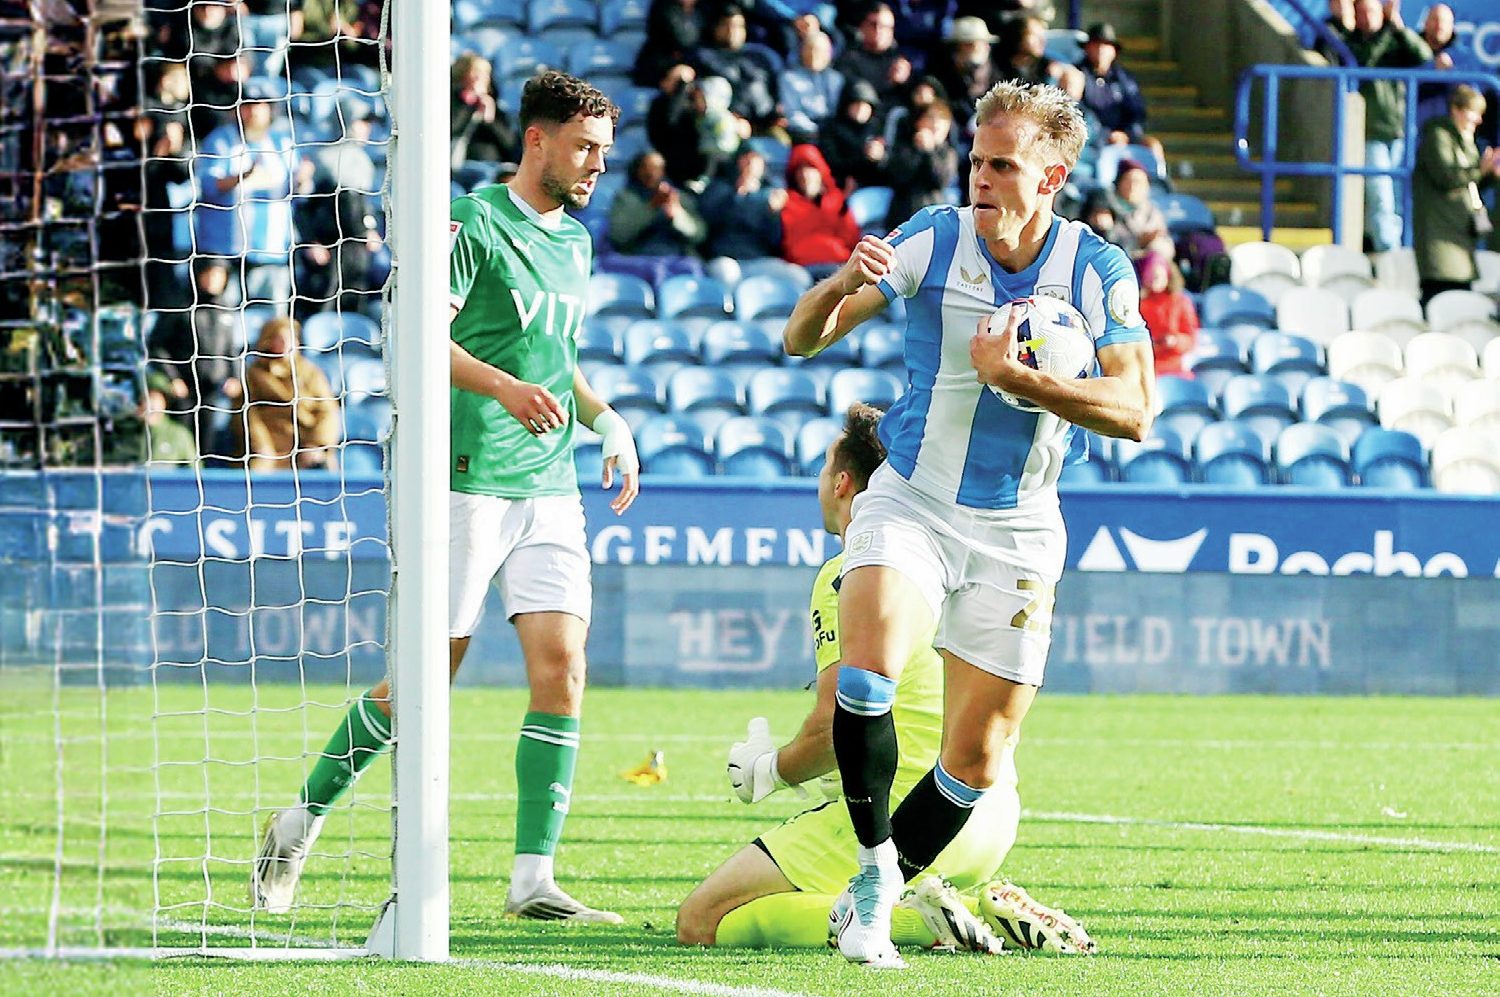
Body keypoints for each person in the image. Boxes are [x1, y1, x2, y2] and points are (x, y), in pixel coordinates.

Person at [252, 71, 641, 924]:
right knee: (425, 682)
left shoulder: (576, 244)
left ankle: (532, 877)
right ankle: (300, 819)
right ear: (536, 139)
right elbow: (418, 337)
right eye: (585, 147)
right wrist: (502, 387)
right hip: (467, 479)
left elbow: (556, 361)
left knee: (565, 668)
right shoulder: (473, 220)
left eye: (605, 152)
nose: (597, 166)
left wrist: (607, 419)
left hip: (551, 486)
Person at [782, 79, 1153, 968]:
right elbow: (802, 338)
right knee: (866, 674)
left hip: (1020, 526)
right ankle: (875, 872)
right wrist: (842, 281)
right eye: (976, 160)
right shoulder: (933, 237)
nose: (981, 177)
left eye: (1003, 165)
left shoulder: (1096, 269)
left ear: (1052, 176)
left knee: (977, 760)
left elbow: (1136, 409)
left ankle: (875, 895)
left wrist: (1021, 380)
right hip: (912, 496)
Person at [675, 403, 1094, 954]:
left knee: (703, 920)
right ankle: (952, 905)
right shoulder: (973, 565)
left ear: (842, 483)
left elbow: (835, 724)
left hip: (903, 815)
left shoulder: (853, 572)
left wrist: (769, 769)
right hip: (984, 818)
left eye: (825, 469)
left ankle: (927, 920)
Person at [1342, 0, 1432, 253]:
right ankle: (1389, 253)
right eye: (1363, 12)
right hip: (1372, 132)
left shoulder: (1395, 40)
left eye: (1373, 11)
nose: (1368, 17)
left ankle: (1394, 251)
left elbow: (1423, 55)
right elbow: (1367, 61)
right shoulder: (1351, 44)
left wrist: (1399, 27)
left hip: (1399, 131)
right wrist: (1386, 31)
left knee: (1398, 199)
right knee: (1381, 197)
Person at [1413, 86, 1500, 304]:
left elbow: (1470, 183)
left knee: (1460, 297)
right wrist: (1481, 169)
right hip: (1439, 232)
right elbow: (1446, 176)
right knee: (1440, 295)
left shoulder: (1465, 139)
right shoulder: (1437, 136)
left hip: (1459, 233)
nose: (1479, 120)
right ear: (1456, 110)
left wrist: (1490, 173)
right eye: (1474, 112)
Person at [234, 316, 340, 470]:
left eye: (291, 339)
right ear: (268, 341)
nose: (286, 344)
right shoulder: (254, 374)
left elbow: (328, 411)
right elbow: (247, 414)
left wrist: (316, 444)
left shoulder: (311, 373)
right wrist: (262, 446)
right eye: (280, 339)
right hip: (269, 449)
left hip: (306, 445)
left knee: (324, 468)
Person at [1076, 23, 1163, 168]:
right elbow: (1079, 111)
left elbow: (1136, 111)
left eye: (1106, 45)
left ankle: (1159, 179)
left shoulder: (1124, 79)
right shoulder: (1077, 75)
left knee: (1152, 146)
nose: (1101, 49)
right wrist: (1105, 135)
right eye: (1096, 44)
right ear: (1087, 48)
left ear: (1114, 51)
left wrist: (1127, 135)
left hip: (1125, 139)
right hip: (1091, 140)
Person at [608, 149, 709, 256]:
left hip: (678, 258)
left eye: (656, 168)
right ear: (637, 170)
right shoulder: (625, 198)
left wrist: (677, 215)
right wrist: (651, 208)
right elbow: (618, 236)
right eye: (646, 167)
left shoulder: (677, 197)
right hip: (639, 258)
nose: (651, 173)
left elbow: (699, 236)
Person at [780, 143, 862, 267]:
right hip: (803, 267)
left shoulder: (837, 202)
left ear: (820, 172)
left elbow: (852, 240)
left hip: (839, 264)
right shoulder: (786, 202)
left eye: (810, 169)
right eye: (799, 170)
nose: (805, 175)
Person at [700, 146, 787, 259]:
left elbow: (776, 240)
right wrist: (738, 196)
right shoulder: (719, 188)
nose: (751, 164)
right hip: (724, 255)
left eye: (756, 160)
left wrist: (773, 215)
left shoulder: (772, 195)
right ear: (738, 161)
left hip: (759, 257)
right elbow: (706, 224)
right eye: (746, 159)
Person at [883, 100, 958, 229]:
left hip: (934, 213)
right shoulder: (904, 148)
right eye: (931, 119)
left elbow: (940, 181)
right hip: (903, 212)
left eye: (942, 121)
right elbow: (899, 175)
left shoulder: (947, 153)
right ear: (919, 123)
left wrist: (929, 152)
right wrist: (919, 150)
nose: (936, 125)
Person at [834, 2, 911, 112]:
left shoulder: (900, 62)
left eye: (885, 27)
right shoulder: (849, 58)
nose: (878, 31)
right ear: (862, 27)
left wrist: (904, 82)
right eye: (873, 24)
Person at [451, 53, 520, 167]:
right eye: (476, 72)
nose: (481, 78)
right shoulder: (451, 101)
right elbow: (453, 128)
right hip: (458, 165)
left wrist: (488, 118)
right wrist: (469, 105)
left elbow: (509, 144)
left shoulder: (493, 105)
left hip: (489, 165)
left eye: (485, 74)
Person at [1137, 252, 1198, 377]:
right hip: (1146, 365)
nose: (1154, 279)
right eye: (1150, 275)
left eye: (1158, 275)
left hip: (1174, 366)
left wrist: (1175, 341)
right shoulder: (1138, 304)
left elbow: (1190, 339)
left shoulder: (1180, 302)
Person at [782, 28, 846, 140]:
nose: (813, 54)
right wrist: (816, 131)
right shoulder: (788, 78)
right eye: (809, 49)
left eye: (818, 50)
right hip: (803, 133)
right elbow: (792, 113)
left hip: (833, 131)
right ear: (801, 51)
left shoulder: (837, 79)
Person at [1111, 158, 1174, 259]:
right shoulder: (1110, 209)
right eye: (1128, 181)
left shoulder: (1152, 211)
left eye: (1138, 182)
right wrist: (1138, 242)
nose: (1133, 186)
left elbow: (1167, 246)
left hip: (1154, 260)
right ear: (1119, 183)